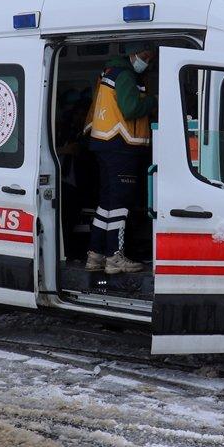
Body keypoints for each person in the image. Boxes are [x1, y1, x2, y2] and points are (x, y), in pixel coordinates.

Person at [84, 42, 157, 274]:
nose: (147, 61)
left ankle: (95, 255)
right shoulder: (125, 75)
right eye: (145, 56)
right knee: (119, 205)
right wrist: (154, 100)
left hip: (105, 144)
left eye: (150, 58)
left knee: (106, 204)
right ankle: (115, 257)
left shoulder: (109, 72)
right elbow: (131, 108)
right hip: (121, 146)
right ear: (132, 53)